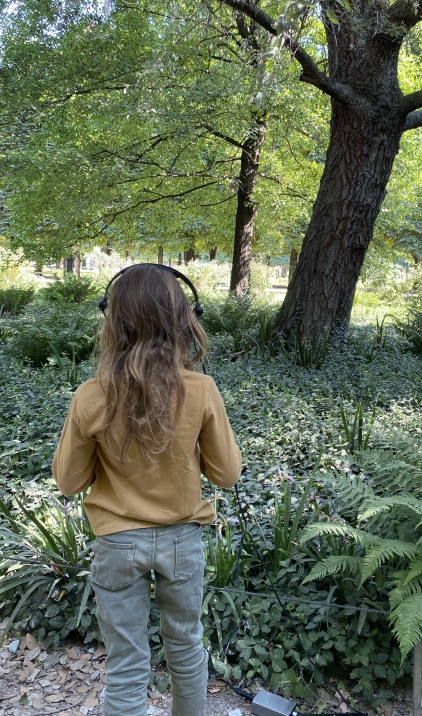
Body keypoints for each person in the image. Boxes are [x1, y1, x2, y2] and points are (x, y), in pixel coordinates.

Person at [52, 264, 242, 716]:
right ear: (184, 319)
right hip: (181, 541)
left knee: (126, 664)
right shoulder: (201, 390)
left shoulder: (90, 396)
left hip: (116, 544)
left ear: (112, 321)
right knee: (186, 649)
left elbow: (69, 482)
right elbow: (227, 474)